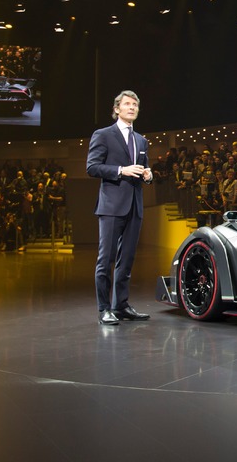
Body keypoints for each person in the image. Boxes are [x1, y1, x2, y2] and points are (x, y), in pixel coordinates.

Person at [86, 90, 153, 326]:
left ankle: (121, 305)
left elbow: (144, 167)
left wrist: (148, 174)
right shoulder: (103, 135)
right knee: (106, 259)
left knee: (127, 259)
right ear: (117, 109)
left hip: (134, 205)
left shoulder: (141, 140)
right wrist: (120, 170)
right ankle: (104, 308)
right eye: (127, 104)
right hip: (112, 205)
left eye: (135, 104)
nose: (132, 107)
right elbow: (92, 167)